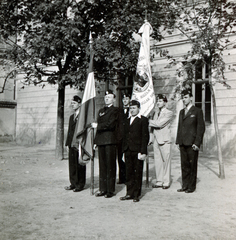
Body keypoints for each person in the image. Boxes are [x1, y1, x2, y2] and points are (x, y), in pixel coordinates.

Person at [176, 89, 205, 193]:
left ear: (191, 98)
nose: (184, 100)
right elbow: (180, 127)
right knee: (184, 165)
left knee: (192, 165)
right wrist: (178, 141)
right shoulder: (181, 112)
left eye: (186, 97)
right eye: (183, 98)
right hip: (183, 142)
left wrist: (197, 143)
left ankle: (191, 187)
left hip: (192, 143)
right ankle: (185, 185)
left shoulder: (197, 111)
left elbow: (200, 128)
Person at [120, 100, 149, 202]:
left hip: (137, 151)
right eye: (130, 108)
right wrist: (124, 151)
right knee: (129, 172)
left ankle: (136, 194)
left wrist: (143, 152)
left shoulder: (143, 120)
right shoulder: (127, 121)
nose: (132, 110)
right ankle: (129, 193)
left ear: (139, 109)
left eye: (134, 108)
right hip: (128, 150)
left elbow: (145, 137)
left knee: (137, 172)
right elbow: (124, 137)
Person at [92, 90, 119, 198]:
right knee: (102, 166)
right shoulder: (101, 111)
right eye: (106, 97)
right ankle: (102, 188)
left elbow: (111, 124)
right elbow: (98, 129)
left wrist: (98, 125)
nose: (107, 98)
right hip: (101, 141)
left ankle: (110, 190)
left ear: (113, 99)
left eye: (109, 97)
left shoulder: (116, 110)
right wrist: (95, 141)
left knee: (110, 166)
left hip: (110, 140)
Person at [149, 94, 173, 189]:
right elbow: (152, 127)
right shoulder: (155, 113)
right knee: (158, 161)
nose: (158, 103)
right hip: (156, 139)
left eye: (160, 101)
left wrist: (148, 121)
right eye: (157, 101)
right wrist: (151, 137)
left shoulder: (168, 113)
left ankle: (166, 181)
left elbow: (159, 124)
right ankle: (159, 180)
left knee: (166, 161)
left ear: (165, 103)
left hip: (165, 140)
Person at [65, 95, 86, 192]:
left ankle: (80, 184)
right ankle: (73, 183)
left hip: (79, 144)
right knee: (72, 164)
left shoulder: (82, 117)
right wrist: (67, 144)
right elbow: (69, 131)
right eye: (72, 103)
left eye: (74, 103)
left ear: (79, 104)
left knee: (80, 164)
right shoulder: (71, 117)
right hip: (72, 144)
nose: (72, 105)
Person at [117, 93, 130, 184]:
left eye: (126, 99)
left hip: (128, 138)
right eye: (123, 99)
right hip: (120, 139)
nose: (125, 101)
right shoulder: (119, 111)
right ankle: (122, 178)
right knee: (120, 158)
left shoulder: (132, 110)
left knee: (128, 158)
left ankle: (128, 178)